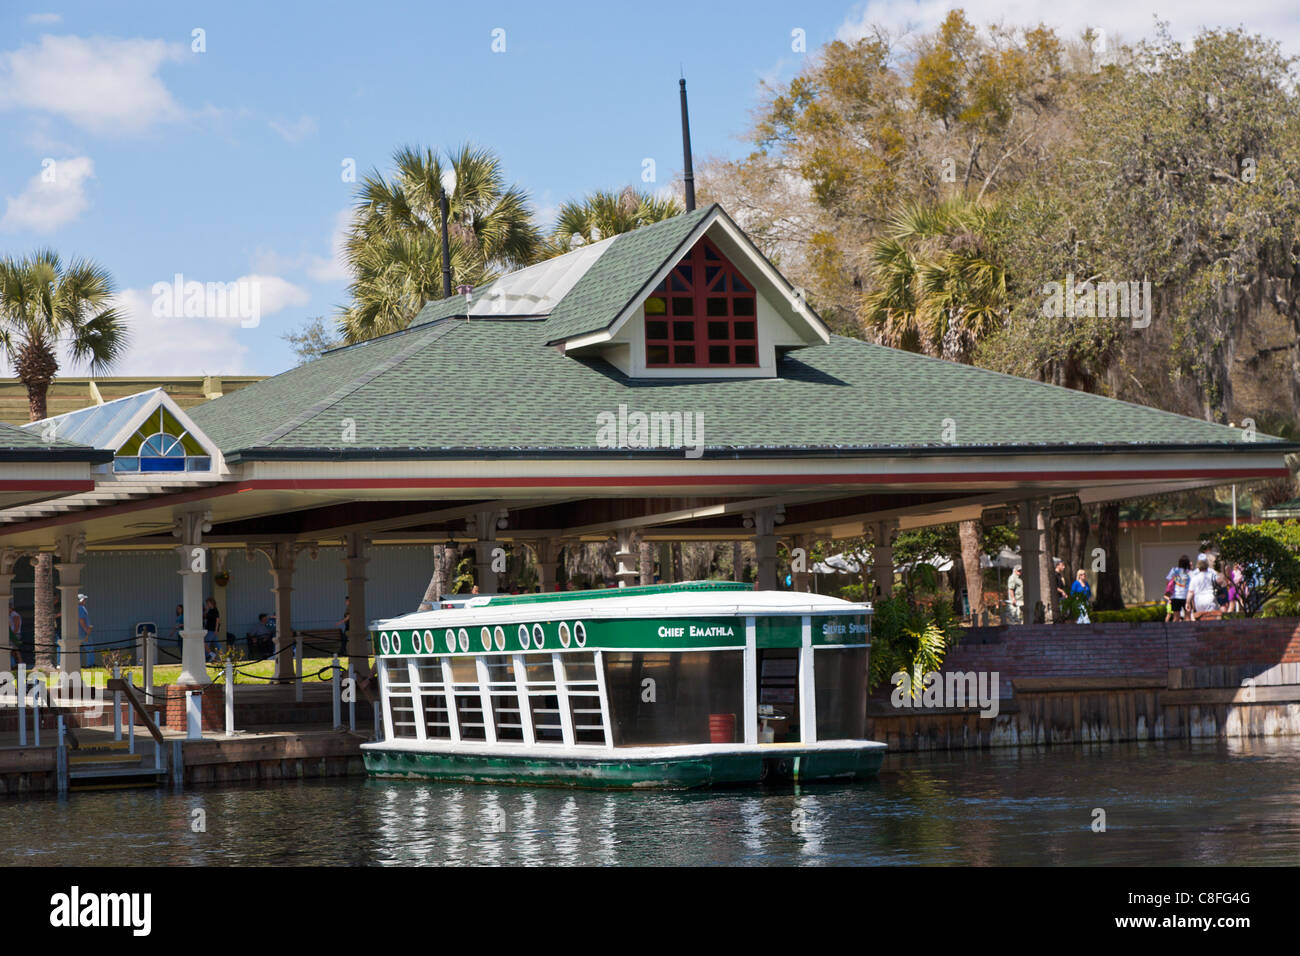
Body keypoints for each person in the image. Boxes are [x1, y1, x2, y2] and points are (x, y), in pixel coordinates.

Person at [1165, 555, 1191, 622]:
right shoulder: (1190, 572)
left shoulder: (1174, 570)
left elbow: (1167, 581)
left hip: (1175, 596)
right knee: (1188, 616)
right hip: (1186, 597)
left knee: (1176, 617)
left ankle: (1174, 632)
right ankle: (1188, 631)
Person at [7, 602, 20, 669]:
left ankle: (20, 663)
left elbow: (16, 626)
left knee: (16, 650)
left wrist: (13, 635)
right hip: (11, 634)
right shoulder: (9, 615)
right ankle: (14, 665)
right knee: (12, 651)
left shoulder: (15, 615)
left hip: (14, 635)